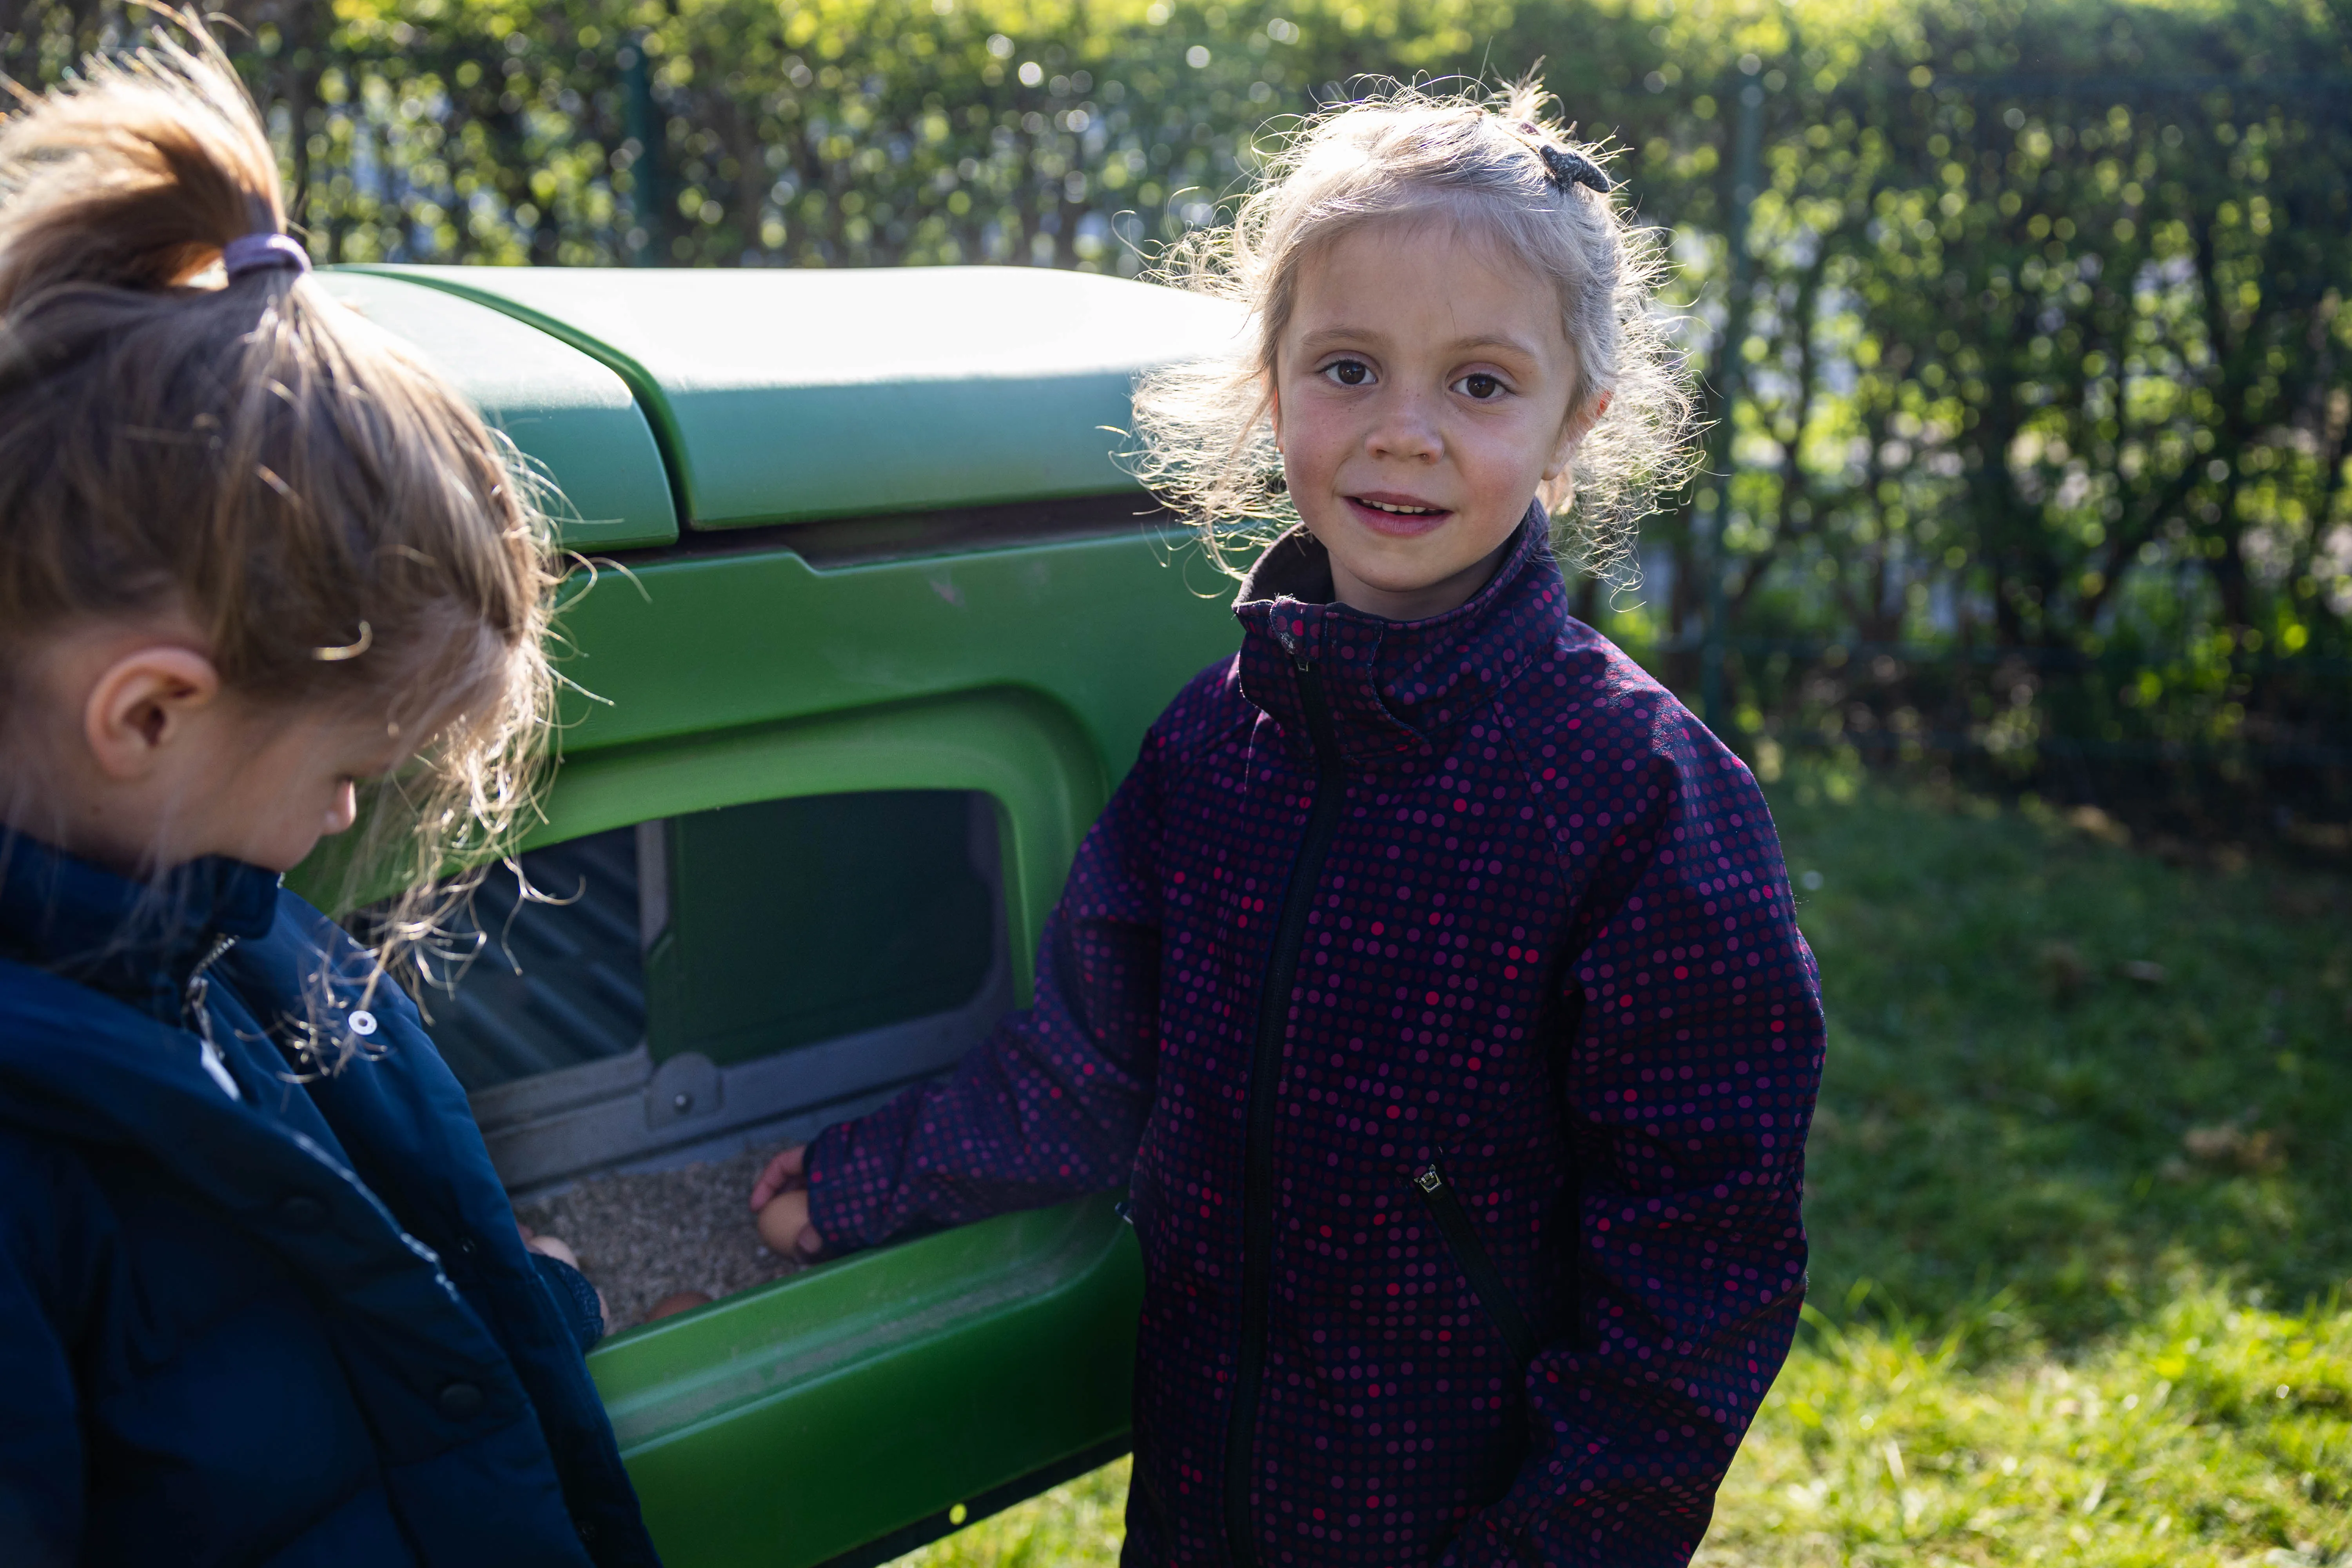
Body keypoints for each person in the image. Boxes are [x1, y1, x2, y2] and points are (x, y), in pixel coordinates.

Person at [752, 80, 1825, 1566]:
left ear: (1574, 424)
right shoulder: (1212, 747)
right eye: (1348, 368)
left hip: (1468, 1523)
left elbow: (1698, 1266)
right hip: (1209, 1502)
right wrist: (861, 1180)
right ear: (1271, 386)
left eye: (1481, 385)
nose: (1405, 434)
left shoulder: (1640, 795)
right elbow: (1084, 1064)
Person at [0, 22, 659, 1568]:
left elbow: (336, 1279)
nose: (351, 823)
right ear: (149, 711)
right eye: (350, 771)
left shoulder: (221, 934)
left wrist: (517, 1296)